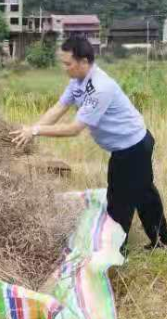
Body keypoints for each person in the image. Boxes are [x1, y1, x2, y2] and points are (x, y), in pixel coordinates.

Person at [10, 37, 167, 254]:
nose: (65, 68)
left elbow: (75, 128)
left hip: (134, 146)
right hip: (126, 147)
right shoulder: (77, 82)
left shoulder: (100, 88)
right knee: (144, 192)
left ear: (84, 61)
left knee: (119, 200)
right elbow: (59, 107)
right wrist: (31, 132)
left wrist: (35, 131)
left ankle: (114, 254)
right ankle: (161, 241)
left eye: (68, 64)